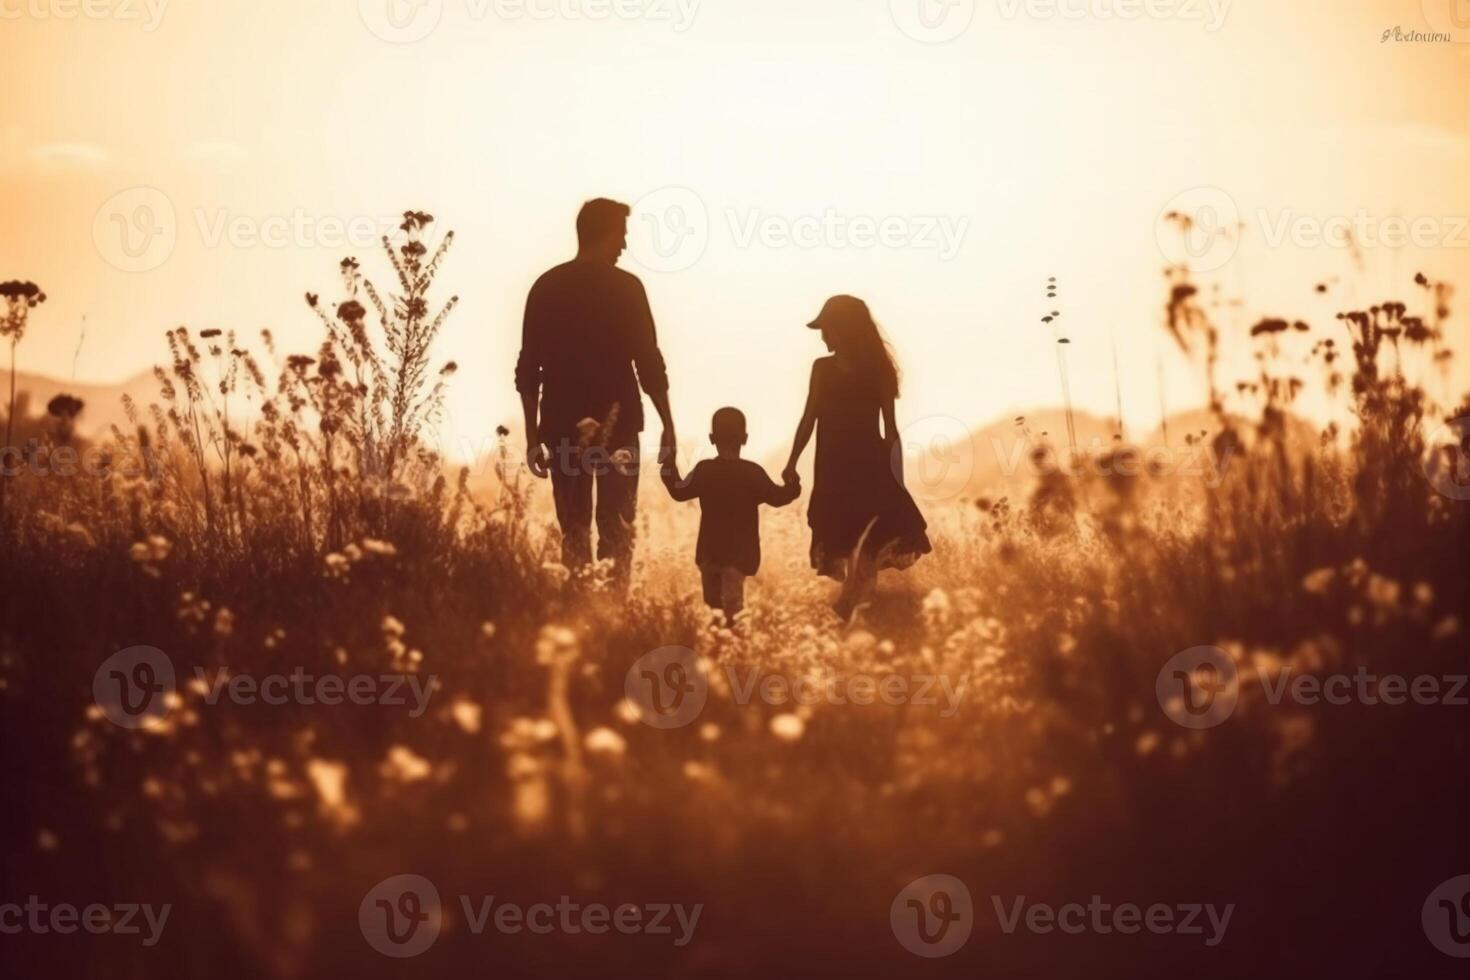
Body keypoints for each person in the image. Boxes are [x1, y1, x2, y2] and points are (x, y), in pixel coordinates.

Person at [516, 198, 675, 587]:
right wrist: (668, 422)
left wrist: (532, 435)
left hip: (560, 426)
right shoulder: (627, 288)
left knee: (574, 526)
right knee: (618, 524)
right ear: (603, 234)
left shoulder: (546, 286)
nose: (624, 245)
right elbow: (649, 363)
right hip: (618, 429)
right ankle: (613, 610)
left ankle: (578, 609)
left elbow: (528, 369)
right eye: (621, 235)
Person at [782, 296, 931, 620]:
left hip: (866, 470)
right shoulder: (823, 368)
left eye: (826, 328)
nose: (822, 336)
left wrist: (897, 478)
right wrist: (792, 462)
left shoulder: (878, 370)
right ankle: (858, 611)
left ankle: (855, 611)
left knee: (866, 544)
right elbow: (808, 419)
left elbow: (890, 429)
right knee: (847, 541)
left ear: (843, 329)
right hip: (834, 473)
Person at [662, 408, 800, 623]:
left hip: (709, 554)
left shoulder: (704, 470)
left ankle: (715, 649)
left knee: (712, 610)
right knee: (733, 609)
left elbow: (679, 492)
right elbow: (778, 497)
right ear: (744, 439)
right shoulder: (752, 473)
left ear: (712, 438)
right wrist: (793, 485)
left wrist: (669, 467)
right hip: (739, 556)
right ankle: (732, 649)